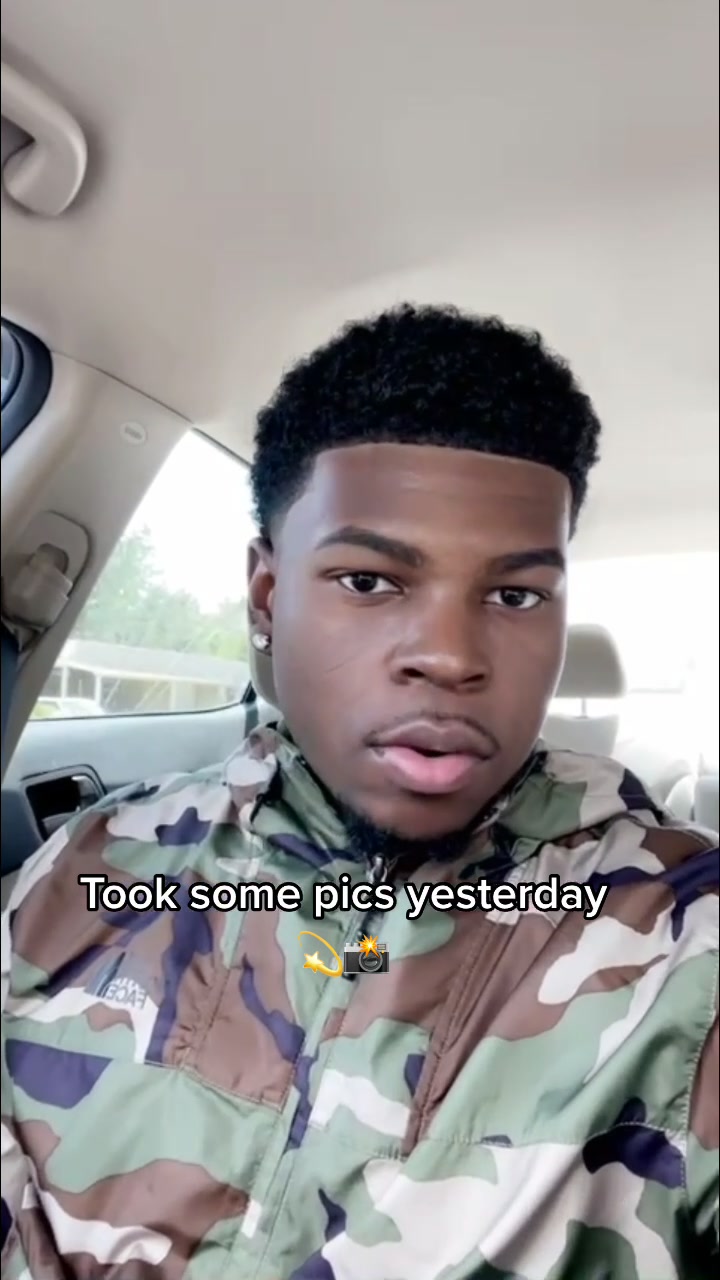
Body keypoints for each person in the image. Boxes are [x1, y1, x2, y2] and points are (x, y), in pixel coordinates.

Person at [1, 304, 717, 1279]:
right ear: (268, 596)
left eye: (514, 595)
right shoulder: (93, 866)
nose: (451, 657)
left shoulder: (686, 944)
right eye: (372, 581)